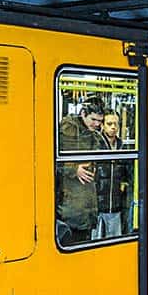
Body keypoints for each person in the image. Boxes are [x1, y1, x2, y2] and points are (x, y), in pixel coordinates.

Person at [57, 97, 104, 244]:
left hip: (87, 205)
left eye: (100, 121)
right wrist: (74, 169)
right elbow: (51, 161)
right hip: (69, 207)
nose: (97, 124)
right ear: (83, 113)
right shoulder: (68, 130)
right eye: (93, 119)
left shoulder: (94, 135)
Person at [93, 112, 132, 239]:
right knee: (95, 241)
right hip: (97, 205)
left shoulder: (122, 146)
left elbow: (126, 172)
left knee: (115, 240)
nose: (113, 127)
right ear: (102, 125)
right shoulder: (96, 144)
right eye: (109, 124)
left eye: (116, 124)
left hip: (116, 204)